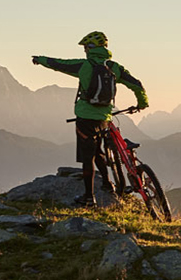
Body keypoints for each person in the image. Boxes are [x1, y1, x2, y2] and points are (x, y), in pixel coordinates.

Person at [32, 31, 148, 207]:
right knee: (98, 150)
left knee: (88, 156)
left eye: (86, 47)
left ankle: (88, 197)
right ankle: (108, 184)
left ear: (91, 48)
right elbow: (137, 85)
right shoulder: (114, 67)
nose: (84, 50)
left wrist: (40, 60)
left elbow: (59, 64)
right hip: (105, 117)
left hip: (85, 117)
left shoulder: (84, 65)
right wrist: (142, 103)